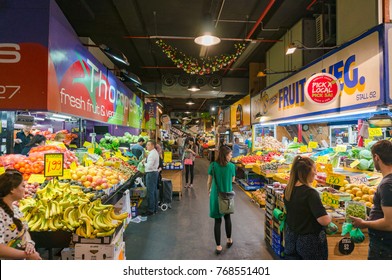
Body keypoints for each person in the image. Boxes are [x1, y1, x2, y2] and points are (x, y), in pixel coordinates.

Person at [350, 140, 392, 259]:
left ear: (377, 157)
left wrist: (364, 223)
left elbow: (389, 223)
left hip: (384, 246)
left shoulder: (387, 184)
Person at [283, 155, 331, 260]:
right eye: (314, 169)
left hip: (291, 239)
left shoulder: (288, 189)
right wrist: (330, 216)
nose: (316, 172)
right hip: (309, 242)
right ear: (307, 172)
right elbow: (324, 221)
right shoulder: (310, 193)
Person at [0, 170, 41, 260]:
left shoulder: (15, 209)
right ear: (12, 189)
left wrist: (29, 243)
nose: (25, 189)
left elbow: (24, 231)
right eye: (23, 186)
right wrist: (27, 255)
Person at [207, 145, 235, 254]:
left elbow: (209, 181)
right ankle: (229, 239)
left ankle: (218, 246)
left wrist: (208, 191)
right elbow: (233, 180)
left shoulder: (213, 166)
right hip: (227, 195)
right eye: (230, 154)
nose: (231, 156)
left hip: (216, 195)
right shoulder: (232, 167)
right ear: (226, 155)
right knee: (227, 217)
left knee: (217, 221)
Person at [142, 140, 160, 216]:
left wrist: (144, 163)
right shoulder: (154, 152)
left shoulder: (152, 154)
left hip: (151, 173)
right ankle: (154, 208)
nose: (147, 146)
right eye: (147, 145)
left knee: (150, 192)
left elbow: (149, 166)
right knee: (154, 191)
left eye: (148, 145)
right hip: (154, 173)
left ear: (152, 145)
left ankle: (150, 210)